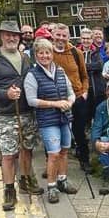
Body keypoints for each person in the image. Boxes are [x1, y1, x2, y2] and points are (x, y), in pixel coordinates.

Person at [0, 21, 42, 211]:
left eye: (14, 34)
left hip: (26, 112)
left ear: (19, 37)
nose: (11, 37)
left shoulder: (25, 57)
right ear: (1, 36)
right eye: (7, 34)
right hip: (5, 114)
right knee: (8, 154)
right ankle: (9, 190)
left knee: (26, 149)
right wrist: (5, 94)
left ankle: (25, 181)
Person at [24, 38, 78, 204]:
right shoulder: (32, 75)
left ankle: (62, 180)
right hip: (48, 120)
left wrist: (70, 102)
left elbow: (71, 92)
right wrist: (55, 104)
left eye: (48, 52)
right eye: (41, 53)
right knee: (53, 154)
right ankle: (52, 186)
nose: (45, 56)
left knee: (64, 151)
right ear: (36, 55)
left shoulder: (60, 71)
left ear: (52, 54)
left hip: (64, 117)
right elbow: (31, 100)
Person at [51, 23, 91, 172]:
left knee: (79, 131)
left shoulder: (76, 53)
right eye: (58, 35)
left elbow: (84, 76)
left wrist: (85, 91)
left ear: (68, 36)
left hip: (78, 97)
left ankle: (84, 159)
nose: (61, 38)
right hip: (56, 100)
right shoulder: (47, 52)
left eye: (64, 35)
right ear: (53, 35)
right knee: (56, 132)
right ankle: (53, 164)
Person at [78, 28, 107, 121]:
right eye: (84, 38)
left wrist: (82, 67)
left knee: (98, 114)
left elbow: (99, 65)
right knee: (84, 114)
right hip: (81, 88)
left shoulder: (96, 51)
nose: (86, 41)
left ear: (92, 40)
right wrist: (90, 67)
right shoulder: (76, 52)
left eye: (88, 38)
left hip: (96, 88)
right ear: (80, 39)